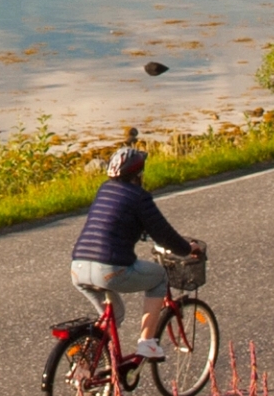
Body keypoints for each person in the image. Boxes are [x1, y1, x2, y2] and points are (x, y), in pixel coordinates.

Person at [70, 142, 203, 355]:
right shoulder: (139, 197)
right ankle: (147, 342)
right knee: (159, 277)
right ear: (139, 174)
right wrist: (187, 249)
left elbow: (116, 221)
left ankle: (89, 364)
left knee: (114, 316)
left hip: (78, 267)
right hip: (108, 270)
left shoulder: (104, 190)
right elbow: (164, 233)